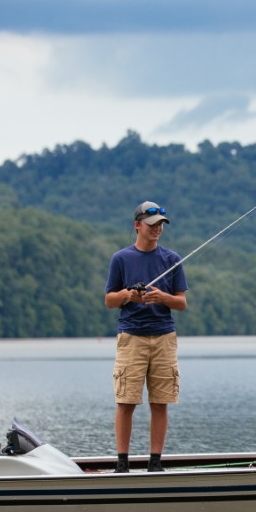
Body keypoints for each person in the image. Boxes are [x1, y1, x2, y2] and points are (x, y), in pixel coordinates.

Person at [105, 201, 188, 473]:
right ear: (137, 225)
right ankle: (122, 463)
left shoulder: (172, 259)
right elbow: (109, 300)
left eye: (161, 225)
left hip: (164, 337)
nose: (157, 230)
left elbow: (181, 303)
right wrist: (129, 295)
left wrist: (162, 297)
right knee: (126, 401)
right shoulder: (121, 259)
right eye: (152, 225)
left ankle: (155, 463)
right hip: (131, 337)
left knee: (160, 402)